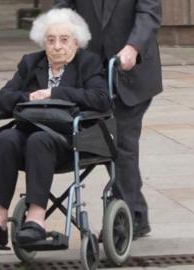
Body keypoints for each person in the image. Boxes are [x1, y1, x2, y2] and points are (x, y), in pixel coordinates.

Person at [0, 8, 110, 246]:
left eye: (64, 40)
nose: (56, 46)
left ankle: (36, 220)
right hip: (28, 133)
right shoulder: (31, 63)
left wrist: (55, 93)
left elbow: (101, 99)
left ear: (77, 41)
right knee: (5, 139)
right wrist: (29, 97)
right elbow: (0, 99)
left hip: (68, 140)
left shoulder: (88, 63)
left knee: (38, 140)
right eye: (50, 40)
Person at [52, 0, 163, 238]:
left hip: (131, 72)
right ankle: (136, 212)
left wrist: (133, 47)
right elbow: (62, 10)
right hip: (91, 74)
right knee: (104, 143)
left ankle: (127, 220)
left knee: (121, 142)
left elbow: (149, 13)